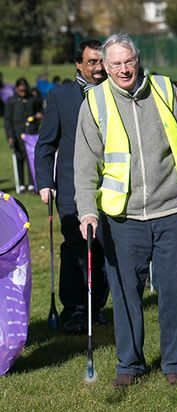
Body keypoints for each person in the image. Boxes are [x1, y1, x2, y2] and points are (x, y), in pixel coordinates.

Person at [74, 33, 177, 387]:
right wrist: (88, 211)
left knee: (176, 288)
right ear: (104, 66)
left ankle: (176, 362)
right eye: (115, 63)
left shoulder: (165, 90)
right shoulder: (95, 103)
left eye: (128, 61)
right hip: (122, 217)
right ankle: (130, 365)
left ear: (138, 59)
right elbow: (85, 164)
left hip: (172, 209)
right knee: (125, 293)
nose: (123, 69)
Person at [34, 39, 109, 334]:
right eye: (92, 62)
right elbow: (46, 144)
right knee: (77, 248)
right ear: (78, 64)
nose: (98, 68)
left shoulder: (115, 94)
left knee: (104, 248)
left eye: (101, 62)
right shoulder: (60, 96)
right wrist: (45, 182)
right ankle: (75, 310)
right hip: (70, 189)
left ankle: (96, 306)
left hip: (110, 189)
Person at [4, 77, 42, 193]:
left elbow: (41, 111)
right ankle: (21, 184)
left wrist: (38, 116)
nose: (23, 92)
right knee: (19, 159)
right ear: (16, 89)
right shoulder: (11, 101)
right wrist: (10, 136)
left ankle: (32, 184)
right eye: (20, 90)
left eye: (24, 90)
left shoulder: (33, 99)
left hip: (31, 134)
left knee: (31, 159)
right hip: (17, 135)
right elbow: (7, 120)